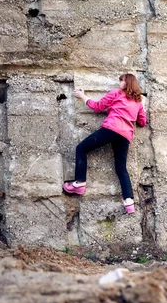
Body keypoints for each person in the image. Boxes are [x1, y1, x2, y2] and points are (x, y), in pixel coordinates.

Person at [63, 73, 147, 214]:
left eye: (122, 81)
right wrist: (143, 105)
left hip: (111, 129)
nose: (119, 83)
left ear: (127, 83)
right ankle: (129, 202)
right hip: (125, 136)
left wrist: (83, 96)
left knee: (81, 148)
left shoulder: (116, 93)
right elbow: (142, 122)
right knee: (121, 169)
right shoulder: (138, 102)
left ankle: (79, 183)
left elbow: (97, 107)